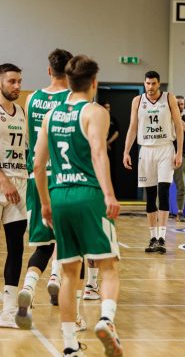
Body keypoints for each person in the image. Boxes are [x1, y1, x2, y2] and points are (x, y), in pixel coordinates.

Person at [33, 55, 122, 356]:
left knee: (68, 271)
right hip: (88, 194)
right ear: (94, 83)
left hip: (58, 195)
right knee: (109, 264)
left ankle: (70, 344)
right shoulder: (94, 112)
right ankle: (107, 320)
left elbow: (37, 164)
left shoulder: (50, 115)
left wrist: (45, 203)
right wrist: (109, 194)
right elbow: (99, 153)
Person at [15, 49, 74, 330]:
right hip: (64, 174)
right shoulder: (73, 100)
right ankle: (55, 278)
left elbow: (28, 138)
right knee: (65, 238)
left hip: (35, 175)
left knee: (42, 240)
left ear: (49, 70)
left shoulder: (33, 98)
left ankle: (28, 284)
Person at [123, 71, 183, 254]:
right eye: (147, 83)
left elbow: (179, 126)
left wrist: (179, 151)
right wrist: (126, 151)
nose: (150, 87)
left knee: (163, 192)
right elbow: (133, 127)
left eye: (153, 83)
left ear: (159, 84)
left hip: (165, 148)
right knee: (149, 195)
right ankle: (152, 237)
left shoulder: (169, 98)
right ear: (144, 83)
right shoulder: (137, 101)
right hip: (146, 150)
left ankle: (162, 237)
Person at [0, 64, 28, 328]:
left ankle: (8, 309)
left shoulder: (20, 111)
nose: (17, 86)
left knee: (16, 246)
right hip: (1, 181)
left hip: (19, 184)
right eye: (11, 81)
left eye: (19, 81)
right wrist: (3, 179)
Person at [103, 102, 119, 189]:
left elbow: (117, 132)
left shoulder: (113, 119)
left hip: (111, 149)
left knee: (112, 170)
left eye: (108, 107)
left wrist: (108, 143)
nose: (107, 109)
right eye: (105, 107)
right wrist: (103, 143)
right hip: (101, 149)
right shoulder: (98, 118)